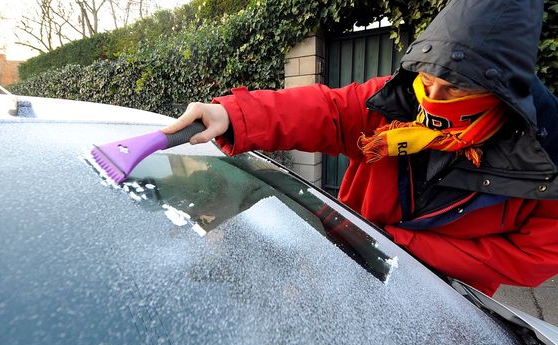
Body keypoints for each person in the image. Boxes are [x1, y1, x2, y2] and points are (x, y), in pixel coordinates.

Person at [163, 0, 558, 296]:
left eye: (453, 88)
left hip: (445, 308)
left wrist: (403, 246)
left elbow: (533, 256)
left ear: (499, 93)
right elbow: (327, 110)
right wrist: (234, 114)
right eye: (427, 78)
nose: (431, 98)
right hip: (347, 277)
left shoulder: (546, 160)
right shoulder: (394, 102)